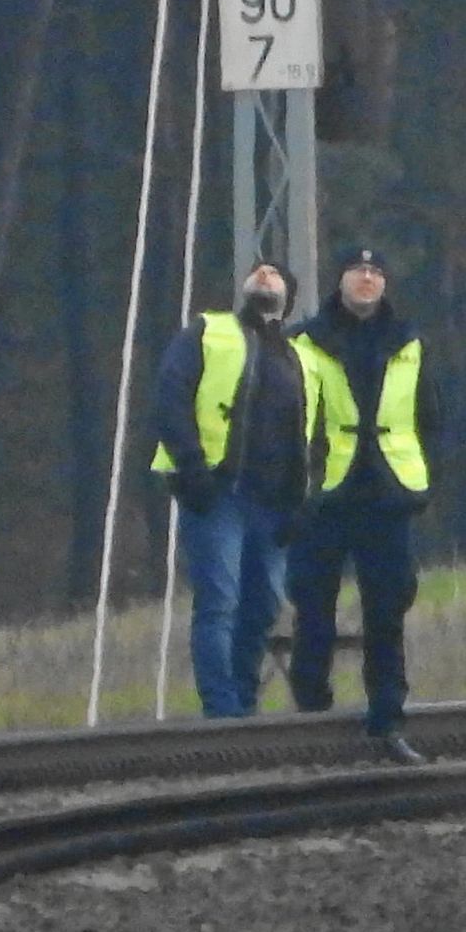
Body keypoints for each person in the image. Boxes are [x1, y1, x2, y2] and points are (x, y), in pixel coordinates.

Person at [288, 244, 446, 765]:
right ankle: (312, 709)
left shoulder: (409, 342)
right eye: (359, 271)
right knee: (314, 607)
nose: (368, 280)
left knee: (388, 609)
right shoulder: (307, 341)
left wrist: (422, 480)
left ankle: (388, 718)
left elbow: (430, 415)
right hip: (326, 492)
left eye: (377, 272)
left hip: (388, 492)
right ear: (341, 280)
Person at [148, 259, 308, 719]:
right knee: (220, 602)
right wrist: (192, 467)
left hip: (273, 503)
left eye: (274, 273)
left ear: (289, 295)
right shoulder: (207, 331)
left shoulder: (298, 358)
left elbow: (309, 432)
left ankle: (244, 701)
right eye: (257, 270)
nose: (263, 274)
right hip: (218, 493)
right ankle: (223, 711)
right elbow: (170, 395)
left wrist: (299, 500)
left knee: (261, 607)